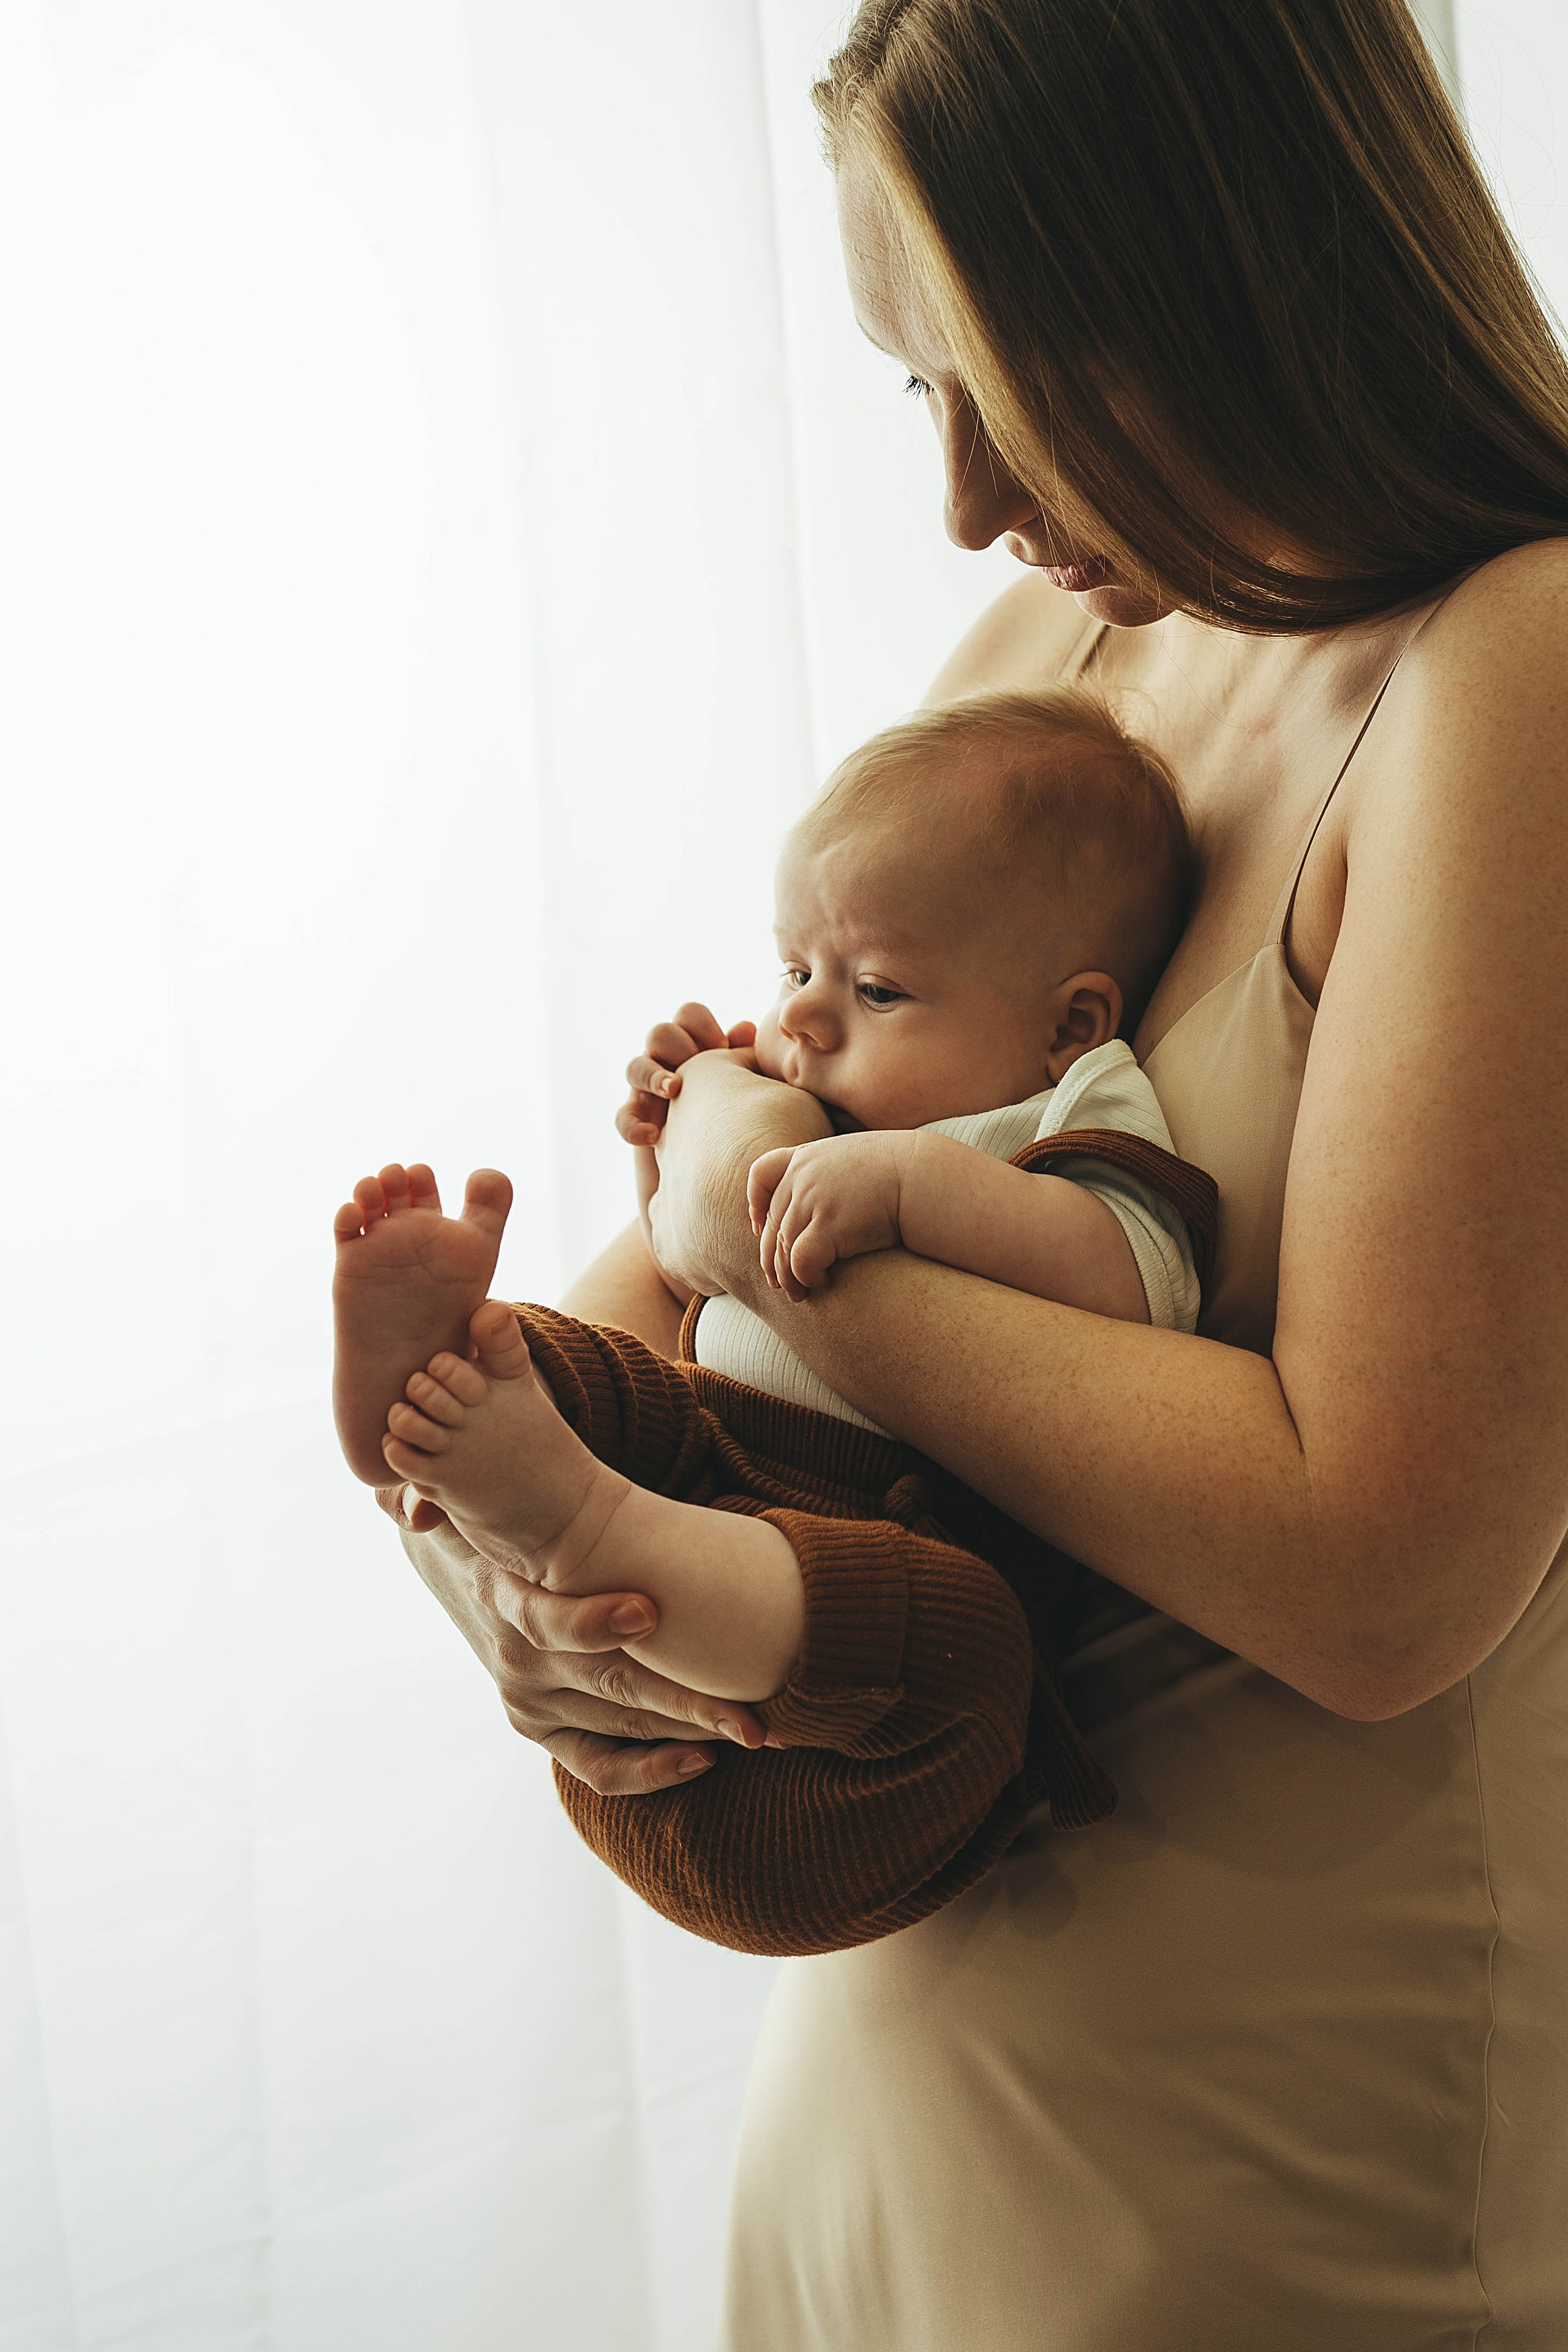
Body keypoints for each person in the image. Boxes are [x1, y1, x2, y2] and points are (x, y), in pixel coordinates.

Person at [382, 0, 1568, 2341]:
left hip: (1256, 2154)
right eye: (913, 391)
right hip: (895, 2074)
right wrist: (549, 1604)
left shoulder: (1517, 665)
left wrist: (769, 1220)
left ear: (1212, 271)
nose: (959, 500)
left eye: (995, 380)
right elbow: (666, 1301)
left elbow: (1380, 1564)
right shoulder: (1070, 651)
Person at [335, 689, 1216, 1951]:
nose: (801, 1019)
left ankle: (581, 1518)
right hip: (640, 1692)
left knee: (972, 1645)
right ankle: (424, 1405)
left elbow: (1138, 1282)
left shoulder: (1061, 1115)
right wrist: (669, 1174)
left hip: (827, 1782)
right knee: (577, 1379)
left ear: (1065, 1022)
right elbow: (697, 1280)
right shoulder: (827, 1104)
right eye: (792, 968)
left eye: (873, 988)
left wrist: (912, 1186)